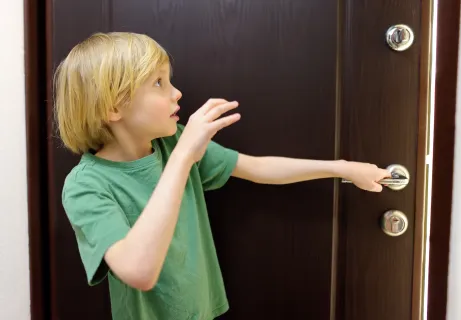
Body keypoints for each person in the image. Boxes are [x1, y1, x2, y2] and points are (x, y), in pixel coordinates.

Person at [56, 32, 390, 320]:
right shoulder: (86, 186)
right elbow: (139, 271)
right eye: (159, 83)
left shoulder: (173, 143)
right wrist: (185, 155)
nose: (176, 93)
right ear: (113, 107)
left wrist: (339, 167)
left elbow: (257, 168)